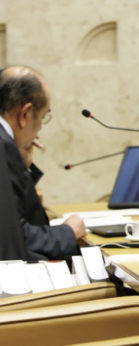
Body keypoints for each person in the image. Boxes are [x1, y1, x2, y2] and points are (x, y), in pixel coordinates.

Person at [0, 65, 86, 260]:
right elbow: (16, 238)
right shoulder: (3, 146)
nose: (39, 129)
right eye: (43, 117)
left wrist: (23, 166)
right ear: (25, 114)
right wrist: (68, 232)